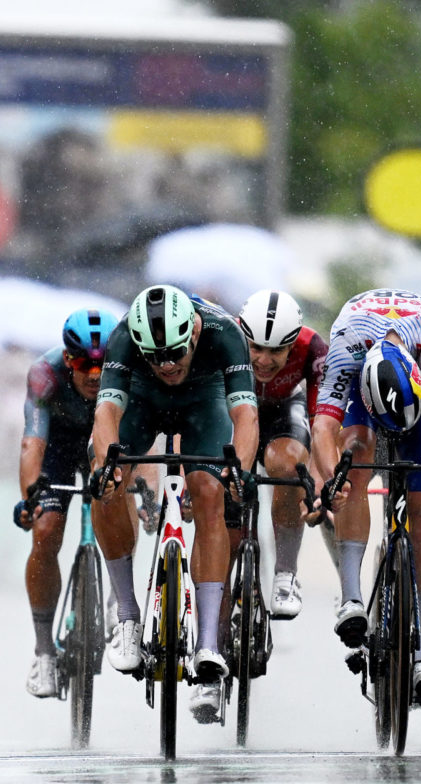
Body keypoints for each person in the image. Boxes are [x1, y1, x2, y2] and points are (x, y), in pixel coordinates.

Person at [89, 285, 258, 724]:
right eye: (155, 357)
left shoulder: (224, 332)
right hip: (143, 402)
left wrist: (238, 470)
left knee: (210, 490)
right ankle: (127, 616)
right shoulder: (124, 335)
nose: (166, 365)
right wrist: (108, 467)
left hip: (204, 401)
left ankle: (208, 645)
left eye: (176, 354)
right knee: (105, 481)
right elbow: (106, 415)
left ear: (194, 333)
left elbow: (245, 415)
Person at [309, 288, 421, 707]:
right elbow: (322, 428)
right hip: (363, 386)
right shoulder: (347, 349)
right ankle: (351, 598)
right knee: (354, 460)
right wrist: (333, 480)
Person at [14, 308, 115, 698]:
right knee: (46, 529)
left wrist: (143, 490)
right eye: (83, 364)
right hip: (56, 444)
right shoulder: (45, 373)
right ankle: (44, 653)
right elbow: (32, 443)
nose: (94, 374)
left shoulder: (126, 372)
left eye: (102, 365)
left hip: (102, 441)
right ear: (67, 359)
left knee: (116, 496)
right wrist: (30, 498)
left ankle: (120, 604)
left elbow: (140, 437)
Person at [234, 289, 328, 618]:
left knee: (289, 468)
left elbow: (322, 425)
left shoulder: (313, 348)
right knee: (224, 474)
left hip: (283, 410)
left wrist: (317, 482)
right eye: (256, 348)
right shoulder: (226, 338)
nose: (263, 360)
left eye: (276, 350)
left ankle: (286, 574)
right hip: (235, 411)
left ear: (292, 344)